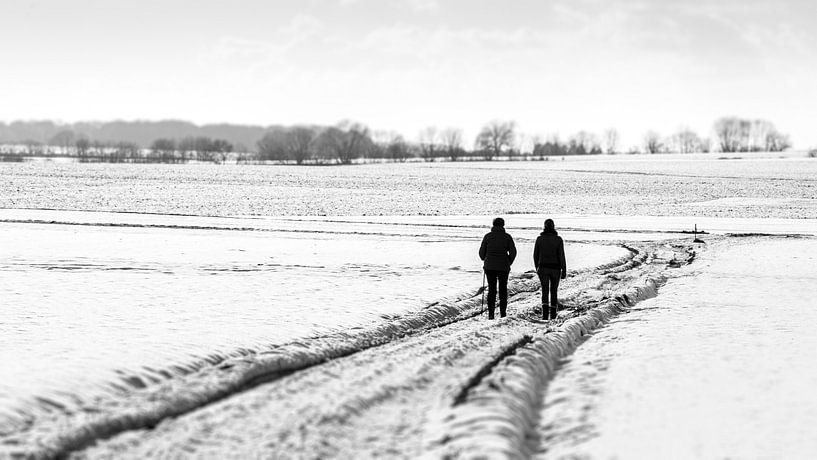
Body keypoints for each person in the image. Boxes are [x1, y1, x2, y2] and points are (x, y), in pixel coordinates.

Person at [479, 217, 517, 319]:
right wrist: (508, 262)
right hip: (503, 267)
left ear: (493, 225)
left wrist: (486, 259)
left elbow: (481, 254)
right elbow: (513, 252)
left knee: (492, 289)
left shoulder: (487, 236)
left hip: (490, 267)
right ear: (503, 225)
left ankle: (491, 314)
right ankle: (503, 313)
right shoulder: (507, 237)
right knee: (503, 289)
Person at [533, 218, 566, 321]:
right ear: (553, 227)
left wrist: (537, 268)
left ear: (544, 227)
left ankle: (544, 315)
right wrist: (564, 270)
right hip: (555, 269)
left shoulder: (539, 239)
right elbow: (561, 256)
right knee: (554, 291)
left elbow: (535, 255)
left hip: (542, 268)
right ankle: (553, 314)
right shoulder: (558, 239)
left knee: (545, 291)